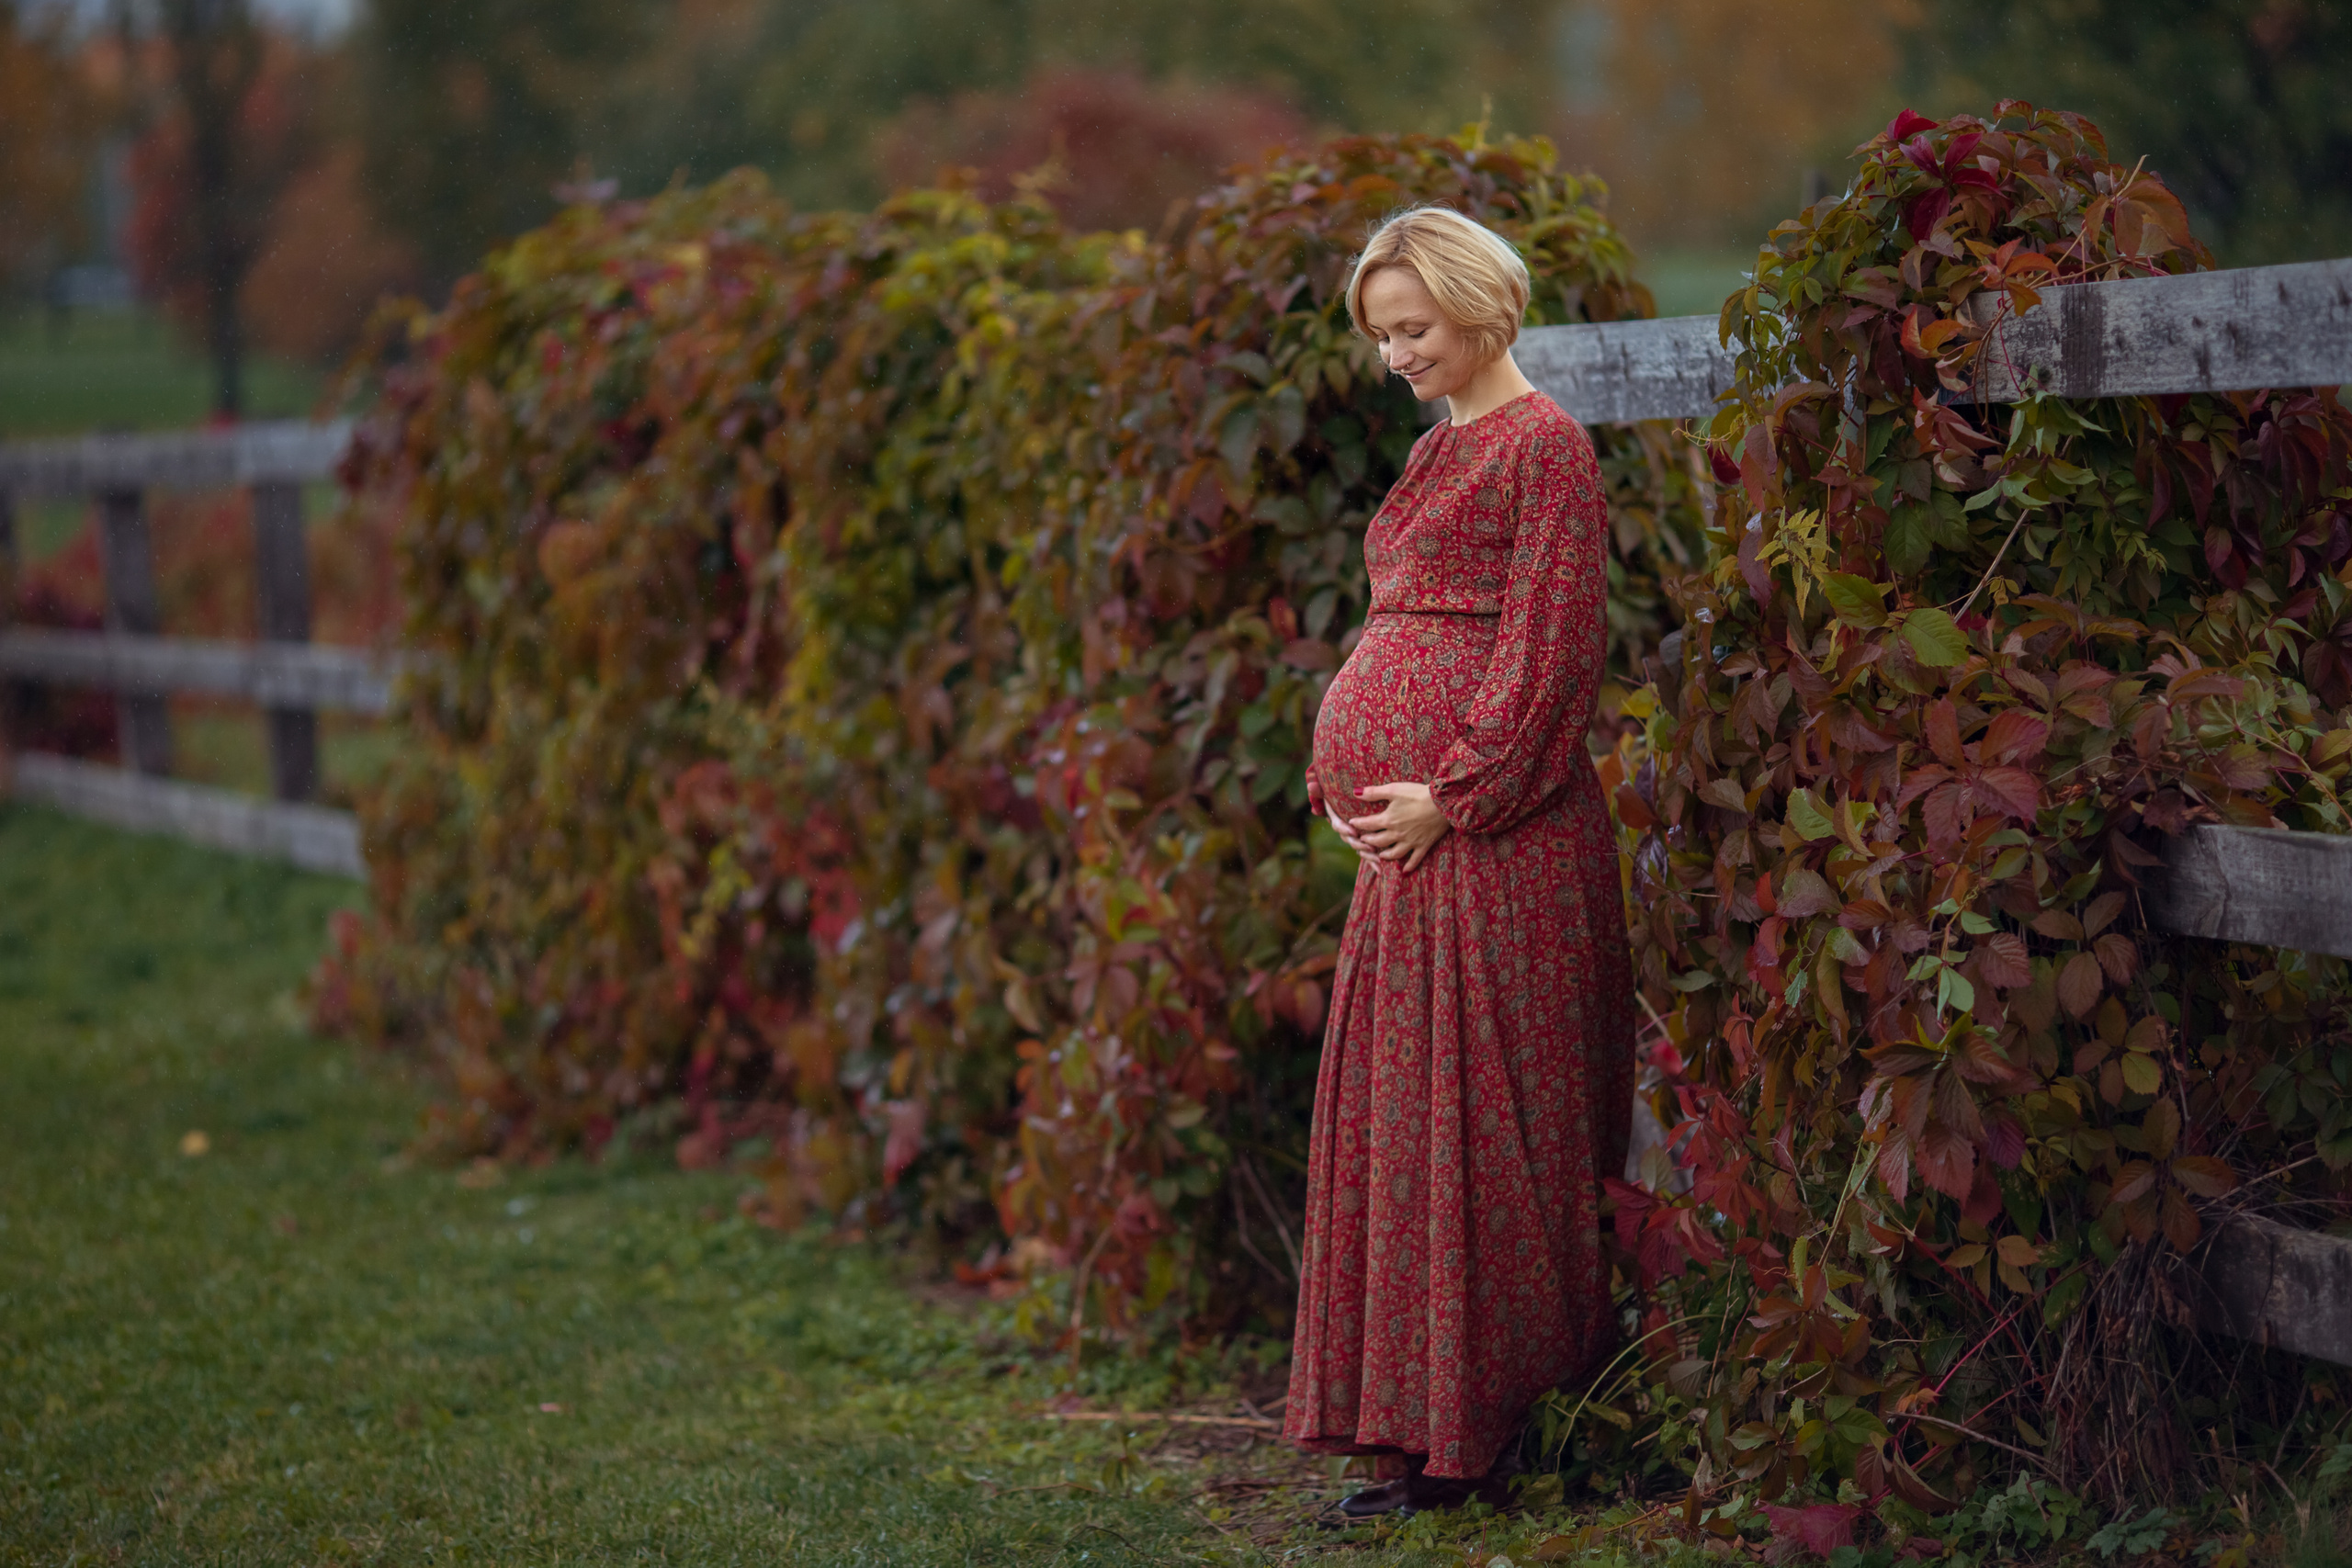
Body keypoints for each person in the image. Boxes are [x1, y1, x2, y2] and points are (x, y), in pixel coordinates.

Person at [1283, 205, 1635, 1518]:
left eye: (1413, 328)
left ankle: (1490, 1434)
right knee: (1409, 1134)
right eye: (1382, 335)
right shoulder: (1444, 449)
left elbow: (1551, 656)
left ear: (1481, 308)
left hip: (1496, 844)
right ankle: (1419, 1431)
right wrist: (1354, 787)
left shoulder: (1547, 449)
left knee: (1486, 1137)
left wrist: (1455, 797)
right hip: (1413, 854)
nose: (1395, 355)